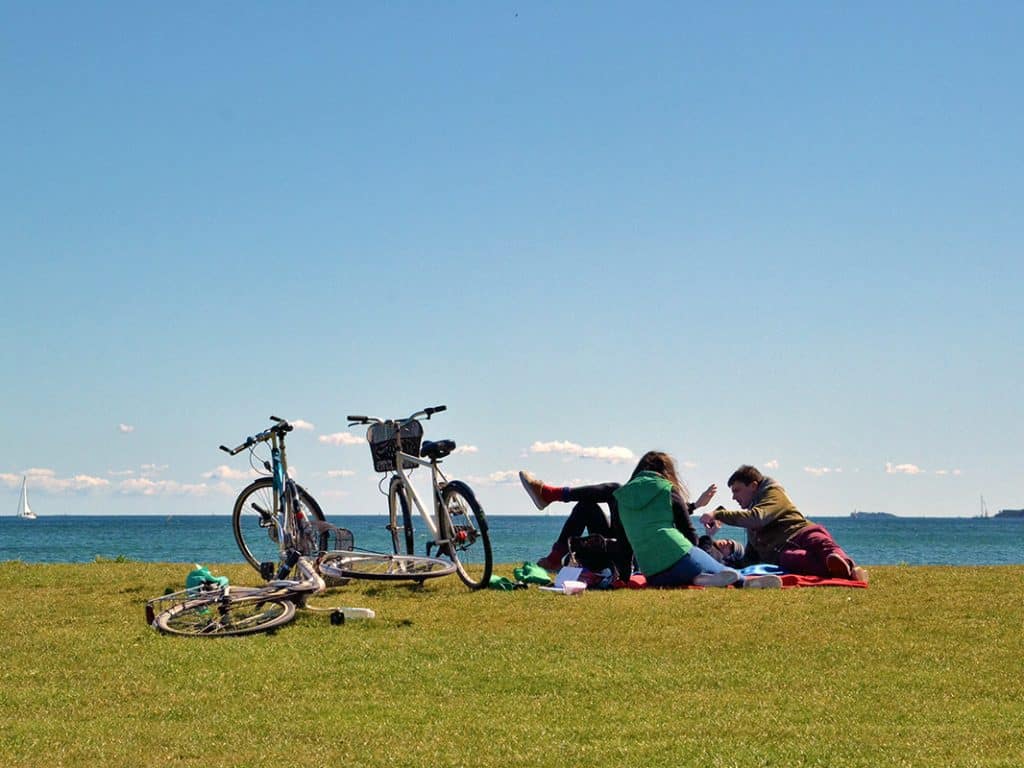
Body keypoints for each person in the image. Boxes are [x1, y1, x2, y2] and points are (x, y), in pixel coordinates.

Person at [520, 452, 782, 589]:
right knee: (591, 503)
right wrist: (700, 525)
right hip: (653, 555)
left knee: (609, 491)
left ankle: (553, 496)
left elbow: (646, 527)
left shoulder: (625, 495)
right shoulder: (665, 492)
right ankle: (739, 581)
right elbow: (685, 535)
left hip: (641, 565)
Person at [700, 464, 868, 582]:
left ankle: (847, 566)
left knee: (824, 546)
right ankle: (849, 573)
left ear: (753, 486)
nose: (734, 497)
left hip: (802, 532)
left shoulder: (772, 494)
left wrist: (718, 514)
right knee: (796, 559)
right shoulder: (752, 523)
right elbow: (751, 556)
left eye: (737, 490)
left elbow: (758, 517)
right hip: (783, 552)